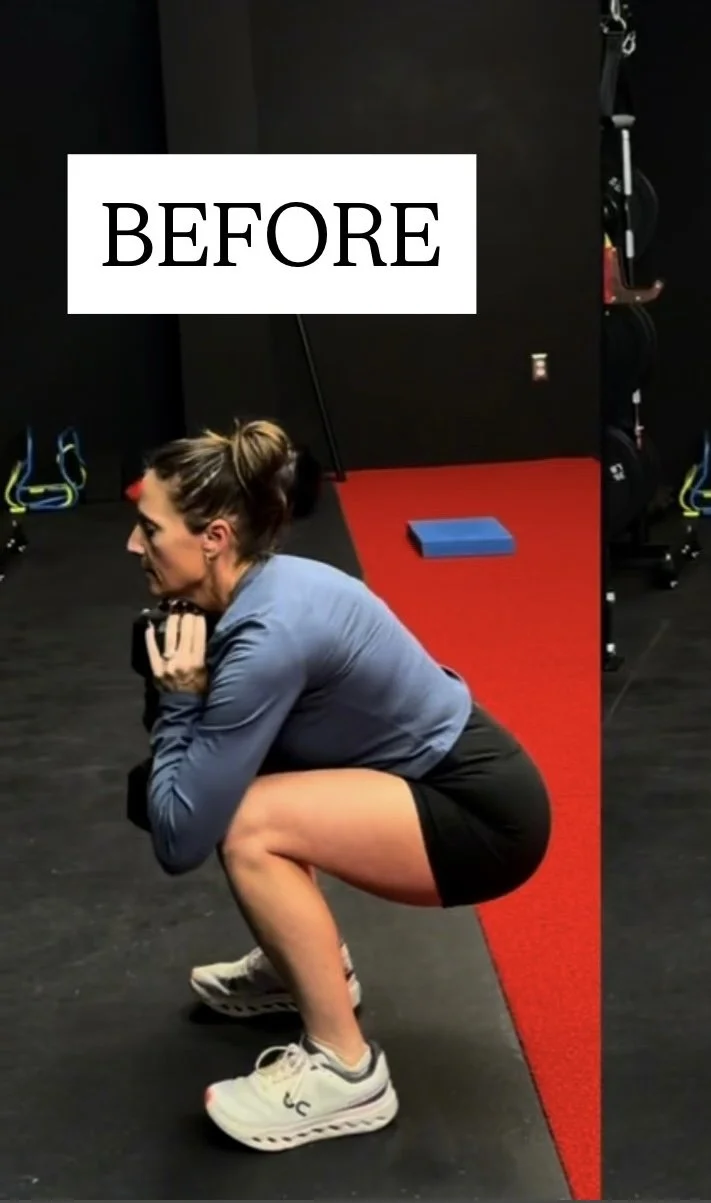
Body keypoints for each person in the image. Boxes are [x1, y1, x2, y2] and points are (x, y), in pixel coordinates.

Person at [127, 419, 551, 1152]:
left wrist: (178, 700)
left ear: (215, 538)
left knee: (246, 824)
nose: (134, 546)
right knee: (234, 779)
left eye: (148, 528)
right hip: (442, 775)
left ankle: (346, 1069)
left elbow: (179, 836)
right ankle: (305, 964)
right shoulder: (260, 584)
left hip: (483, 815)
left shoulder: (267, 637)